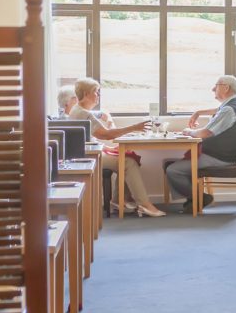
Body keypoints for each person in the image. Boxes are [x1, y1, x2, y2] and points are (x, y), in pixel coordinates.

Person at [69, 77, 166, 217]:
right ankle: (144, 204)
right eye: (96, 92)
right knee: (128, 162)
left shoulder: (78, 110)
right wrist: (134, 127)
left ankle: (119, 200)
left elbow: (102, 131)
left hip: (89, 151)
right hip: (88, 156)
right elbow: (107, 135)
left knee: (126, 156)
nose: (98, 95)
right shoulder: (84, 114)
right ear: (86, 94)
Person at [166, 75, 236, 213]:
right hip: (222, 155)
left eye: (216, 85)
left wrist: (188, 131)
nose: (212, 89)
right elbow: (218, 111)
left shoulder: (228, 110)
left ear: (226, 88)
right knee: (173, 166)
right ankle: (194, 202)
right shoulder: (235, 105)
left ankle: (201, 198)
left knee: (173, 170)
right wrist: (198, 112)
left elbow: (205, 133)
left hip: (219, 158)